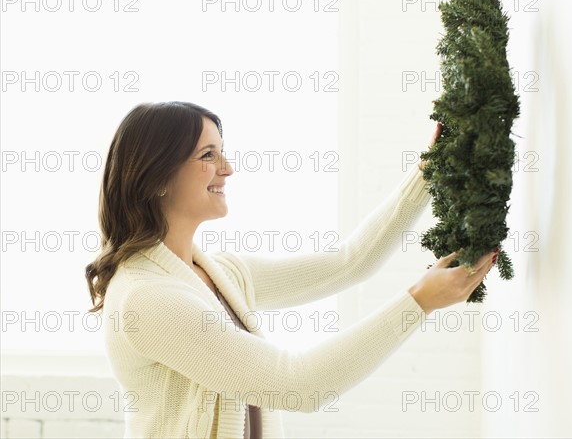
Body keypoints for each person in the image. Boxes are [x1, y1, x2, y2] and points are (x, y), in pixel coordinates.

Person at [85, 101, 497, 438]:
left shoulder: (217, 270)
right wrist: (420, 301)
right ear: (156, 177)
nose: (227, 168)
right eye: (208, 155)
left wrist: (429, 171)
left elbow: (348, 264)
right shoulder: (148, 298)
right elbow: (298, 385)